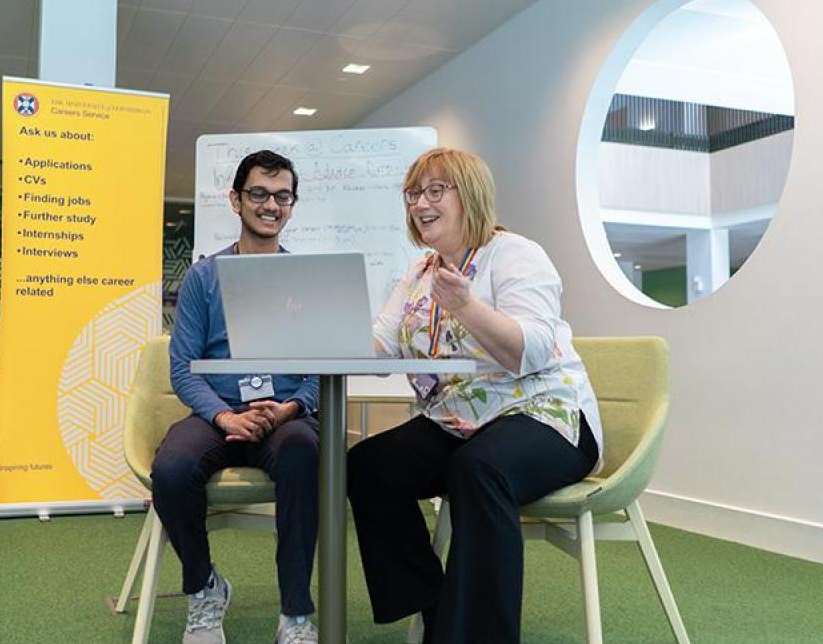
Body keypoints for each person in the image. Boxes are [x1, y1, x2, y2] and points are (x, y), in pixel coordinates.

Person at [347, 147, 603, 643]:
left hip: (547, 417)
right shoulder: (419, 273)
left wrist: (466, 305)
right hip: (460, 424)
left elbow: (525, 352)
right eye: (414, 193)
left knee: (478, 469)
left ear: (470, 196)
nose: (421, 202)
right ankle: (434, 607)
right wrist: (323, 332)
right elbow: (380, 344)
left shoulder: (517, 255)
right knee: (369, 466)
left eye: (435, 190)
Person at [154, 150, 321, 644]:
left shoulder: (306, 282)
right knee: (171, 469)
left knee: (303, 455)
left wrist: (292, 406)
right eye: (259, 194)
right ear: (236, 199)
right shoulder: (204, 278)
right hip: (217, 414)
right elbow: (182, 369)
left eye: (282, 196)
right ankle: (205, 588)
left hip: (285, 415)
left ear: (291, 205)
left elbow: (323, 370)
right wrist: (224, 416)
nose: (271, 205)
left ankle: (295, 613)